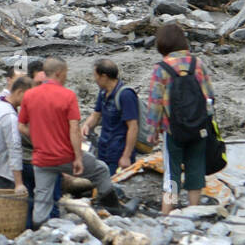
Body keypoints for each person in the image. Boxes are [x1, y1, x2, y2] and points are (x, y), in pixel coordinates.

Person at [19, 57, 126, 225]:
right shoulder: (68, 95)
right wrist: (77, 157)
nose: (67, 76)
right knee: (101, 170)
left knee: (42, 198)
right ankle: (117, 212)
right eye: (66, 73)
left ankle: (38, 231)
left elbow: (21, 125)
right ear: (59, 73)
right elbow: (74, 130)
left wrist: (38, 137)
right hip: (65, 155)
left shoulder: (29, 96)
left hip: (41, 158)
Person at [144, 24, 215, 213]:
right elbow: (210, 96)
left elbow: (155, 103)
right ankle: (194, 212)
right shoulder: (197, 63)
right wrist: (207, 123)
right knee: (196, 169)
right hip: (198, 127)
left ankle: (167, 213)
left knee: (172, 172)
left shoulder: (161, 68)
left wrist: (152, 132)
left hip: (173, 129)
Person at [83, 58, 140, 175]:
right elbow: (96, 114)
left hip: (119, 153)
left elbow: (133, 127)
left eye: (96, 76)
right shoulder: (103, 92)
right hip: (104, 149)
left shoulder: (126, 95)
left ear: (104, 76)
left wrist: (126, 156)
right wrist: (86, 126)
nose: (95, 80)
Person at [0, 75, 32, 191]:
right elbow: (14, 148)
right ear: (19, 92)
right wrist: (19, 183)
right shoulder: (9, 117)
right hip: (2, 172)